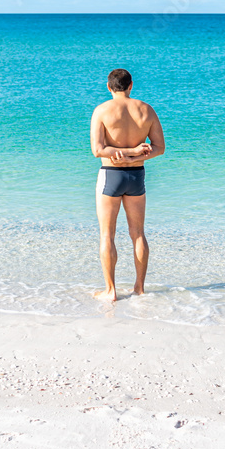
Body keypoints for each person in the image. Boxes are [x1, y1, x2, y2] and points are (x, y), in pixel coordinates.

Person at [89, 68, 165, 302]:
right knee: (138, 234)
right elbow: (159, 148)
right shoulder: (146, 110)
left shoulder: (102, 110)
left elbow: (97, 150)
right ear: (131, 85)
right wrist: (134, 154)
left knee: (107, 235)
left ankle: (110, 291)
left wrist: (125, 154)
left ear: (109, 87)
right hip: (136, 176)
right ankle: (139, 288)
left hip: (111, 174)